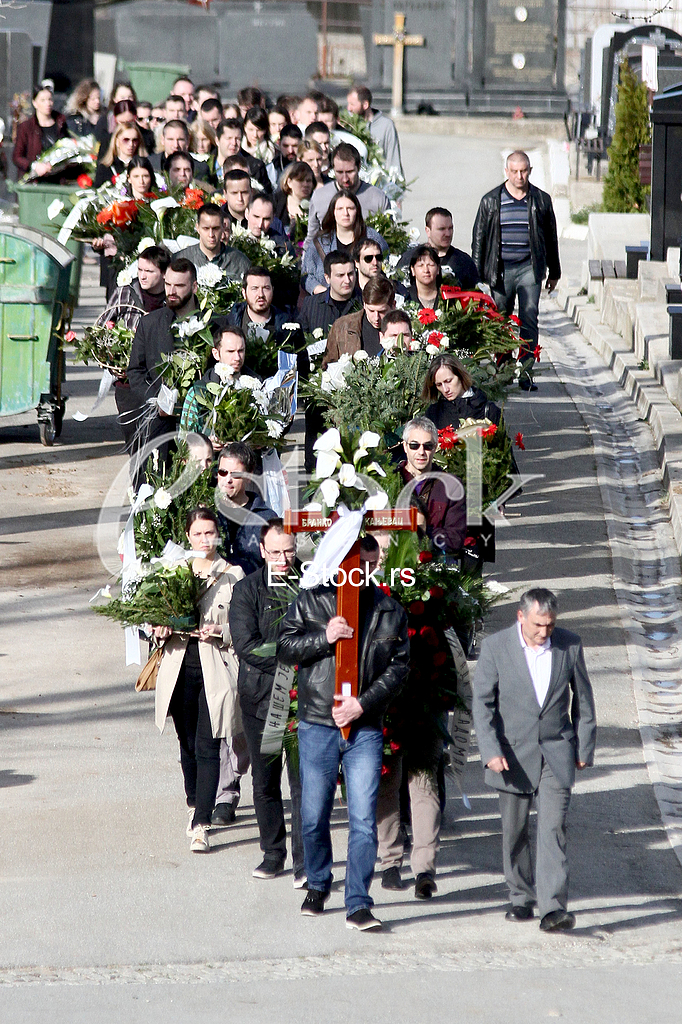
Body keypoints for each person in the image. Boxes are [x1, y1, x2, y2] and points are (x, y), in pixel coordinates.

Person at [277, 533, 409, 930]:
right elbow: (284, 646)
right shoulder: (312, 600)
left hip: (364, 726)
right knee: (314, 813)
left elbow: (399, 668)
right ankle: (318, 883)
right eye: (356, 565)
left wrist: (363, 703)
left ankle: (358, 902)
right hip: (318, 721)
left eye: (370, 566)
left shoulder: (389, 609)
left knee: (364, 818)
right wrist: (325, 637)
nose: (362, 573)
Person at [472, 588, 596, 930]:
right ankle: (521, 896)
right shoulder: (496, 647)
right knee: (515, 831)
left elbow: (583, 700)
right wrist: (490, 749)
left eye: (550, 625)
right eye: (538, 625)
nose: (544, 632)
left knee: (553, 828)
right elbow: (482, 704)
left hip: (557, 751)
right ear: (520, 617)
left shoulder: (569, 645)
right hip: (511, 754)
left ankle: (553, 908)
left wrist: (584, 748)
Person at [153, 508, 245, 853]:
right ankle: (194, 801)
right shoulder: (176, 571)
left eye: (210, 533)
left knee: (209, 745)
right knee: (187, 742)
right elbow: (155, 619)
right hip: (179, 666)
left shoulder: (233, 574)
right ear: (188, 537)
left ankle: (200, 823)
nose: (205, 540)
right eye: (198, 534)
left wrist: (221, 631)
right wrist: (159, 629)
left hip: (216, 667)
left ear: (219, 534)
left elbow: (244, 626)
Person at [229, 519, 305, 883]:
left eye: (288, 550)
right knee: (266, 781)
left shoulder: (313, 581)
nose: (282, 558)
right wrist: (296, 652)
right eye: (275, 552)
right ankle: (273, 853)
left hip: (306, 700)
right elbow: (246, 645)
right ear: (261, 550)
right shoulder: (246, 590)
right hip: (264, 700)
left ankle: (306, 863)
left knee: (305, 785)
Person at [472, 150, 561, 391]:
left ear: (530, 171)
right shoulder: (491, 200)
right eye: (514, 171)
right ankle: (503, 370)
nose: (519, 176)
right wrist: (477, 276)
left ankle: (526, 371)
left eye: (523, 171)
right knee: (500, 319)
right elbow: (479, 239)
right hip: (500, 270)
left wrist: (555, 272)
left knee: (529, 316)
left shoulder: (541, 200)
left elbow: (551, 237)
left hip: (529, 268)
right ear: (506, 171)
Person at [126, 258, 200, 467]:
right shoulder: (150, 324)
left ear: (194, 287)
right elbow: (136, 371)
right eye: (168, 284)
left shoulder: (212, 326)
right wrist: (156, 400)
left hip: (199, 423)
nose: (172, 291)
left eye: (179, 285)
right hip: (159, 422)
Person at [398, 417, 466, 557]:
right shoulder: (392, 479)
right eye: (414, 445)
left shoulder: (451, 486)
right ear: (405, 446)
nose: (421, 452)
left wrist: (424, 531)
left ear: (435, 447)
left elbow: (455, 540)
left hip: (435, 564)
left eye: (427, 446)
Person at [180, 324, 257, 438]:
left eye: (241, 351)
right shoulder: (198, 392)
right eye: (230, 351)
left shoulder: (257, 388)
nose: (237, 357)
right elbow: (184, 438)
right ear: (216, 354)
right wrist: (207, 444)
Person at [303, 191, 386, 295]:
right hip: (327, 302)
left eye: (350, 208)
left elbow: (386, 266)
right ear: (333, 212)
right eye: (340, 209)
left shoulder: (372, 237)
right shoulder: (320, 242)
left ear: (357, 211)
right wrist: (323, 292)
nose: (345, 213)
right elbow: (306, 275)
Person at [306, 143, 389, 246]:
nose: (345, 178)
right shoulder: (319, 197)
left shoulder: (377, 198)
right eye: (340, 172)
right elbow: (311, 239)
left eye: (350, 172)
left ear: (359, 167)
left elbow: (389, 239)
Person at [216, 442, 277, 574]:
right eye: (223, 472)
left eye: (236, 474)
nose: (228, 479)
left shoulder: (267, 518)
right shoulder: (209, 514)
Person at [226, 266, 304, 360]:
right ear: (244, 293)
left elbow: (302, 363)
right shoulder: (229, 323)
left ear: (272, 290)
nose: (261, 294)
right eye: (254, 288)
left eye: (266, 288)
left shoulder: (289, 326)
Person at [321, 276, 394, 368]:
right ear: (364, 304)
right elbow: (328, 366)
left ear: (393, 305)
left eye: (382, 312)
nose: (376, 317)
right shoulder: (342, 327)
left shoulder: (404, 329)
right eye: (371, 311)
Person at [399, 208, 479, 289]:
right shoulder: (409, 259)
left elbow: (477, 295)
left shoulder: (464, 262)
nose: (448, 234)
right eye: (441, 229)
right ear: (427, 231)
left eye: (450, 228)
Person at [177, 203, 251, 280]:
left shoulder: (240, 262)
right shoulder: (182, 259)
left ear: (223, 227)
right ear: (197, 228)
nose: (211, 234)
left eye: (215, 228)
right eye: (206, 228)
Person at [12, 86, 68, 179]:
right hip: (34, 181)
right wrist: (34, 166)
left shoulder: (61, 123)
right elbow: (17, 157)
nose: (48, 103)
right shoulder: (26, 127)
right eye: (43, 100)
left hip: (57, 179)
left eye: (50, 99)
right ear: (35, 103)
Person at [298, 251, 360, 335]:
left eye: (350, 274)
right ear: (327, 278)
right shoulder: (311, 305)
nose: (347, 280)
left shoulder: (365, 302)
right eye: (340, 275)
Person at [346, 85, 402, 175]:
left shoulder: (386, 125)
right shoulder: (348, 125)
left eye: (352, 104)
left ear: (365, 105)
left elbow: (393, 157)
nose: (349, 108)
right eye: (348, 104)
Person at [215, 119, 271, 192]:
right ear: (217, 140)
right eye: (229, 138)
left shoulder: (256, 167)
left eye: (237, 139)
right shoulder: (205, 166)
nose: (234, 143)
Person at [94, 123, 147, 187]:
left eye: (134, 140)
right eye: (126, 140)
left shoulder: (145, 165)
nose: (131, 144)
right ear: (116, 141)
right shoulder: (105, 168)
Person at [272, 161, 315, 240]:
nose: (305, 184)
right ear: (289, 182)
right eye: (300, 180)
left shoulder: (317, 204)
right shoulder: (275, 203)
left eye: (308, 181)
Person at [397, 244, 442, 310]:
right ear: (413, 270)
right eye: (421, 265)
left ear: (438, 269)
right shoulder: (405, 297)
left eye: (430, 265)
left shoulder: (448, 298)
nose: (426, 270)